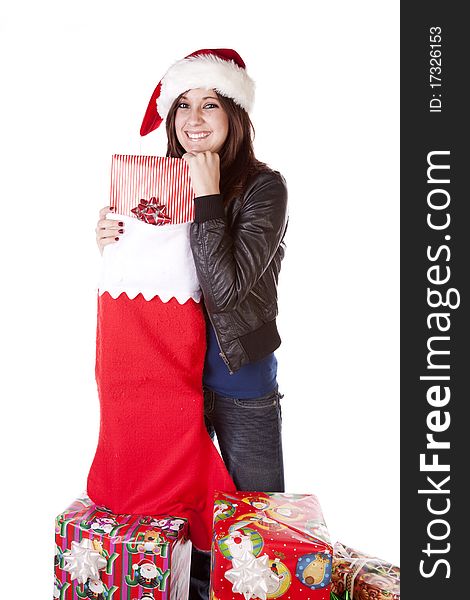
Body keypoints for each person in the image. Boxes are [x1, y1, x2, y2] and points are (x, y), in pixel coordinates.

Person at [95, 48, 288, 600]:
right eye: (183, 104)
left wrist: (206, 196)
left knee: (256, 530)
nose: (194, 118)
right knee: (184, 528)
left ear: (235, 118)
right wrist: (118, 239)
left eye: (209, 104)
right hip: (170, 380)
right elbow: (152, 275)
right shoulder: (156, 184)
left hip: (238, 378)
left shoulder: (264, 189)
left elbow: (225, 291)